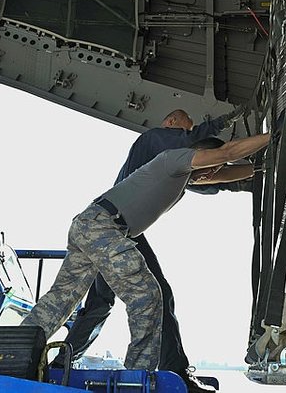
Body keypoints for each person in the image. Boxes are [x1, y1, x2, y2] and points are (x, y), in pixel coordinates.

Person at [22, 132, 270, 377]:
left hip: (89, 224)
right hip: (105, 227)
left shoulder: (184, 177)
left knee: (61, 299)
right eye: (212, 166)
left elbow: (231, 171)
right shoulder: (175, 159)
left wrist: (265, 166)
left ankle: (13, 354)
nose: (212, 175)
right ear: (202, 154)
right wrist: (273, 135)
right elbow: (227, 153)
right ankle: (138, 375)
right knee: (147, 295)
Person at [57, 108, 244, 392]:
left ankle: (62, 364)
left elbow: (212, 180)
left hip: (111, 232)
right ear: (170, 122)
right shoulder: (155, 140)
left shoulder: (177, 169)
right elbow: (193, 144)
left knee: (100, 302)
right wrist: (223, 122)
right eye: (184, 127)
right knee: (159, 293)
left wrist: (252, 173)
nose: (185, 133)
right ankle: (175, 370)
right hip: (117, 229)